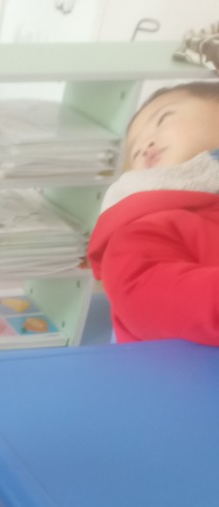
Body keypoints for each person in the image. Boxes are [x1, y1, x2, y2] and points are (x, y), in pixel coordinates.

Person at [87, 80, 219, 344]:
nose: (145, 144)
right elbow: (150, 299)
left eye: (163, 119)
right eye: (135, 151)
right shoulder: (137, 230)